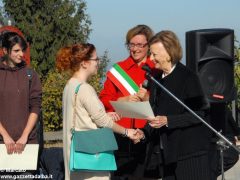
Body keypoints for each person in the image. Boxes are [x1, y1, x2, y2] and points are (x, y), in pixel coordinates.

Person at [135, 30, 211, 180]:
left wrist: (168, 121)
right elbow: (155, 116)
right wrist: (143, 133)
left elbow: (200, 114)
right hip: (166, 156)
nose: (150, 58)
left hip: (189, 155)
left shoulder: (188, 77)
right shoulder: (156, 80)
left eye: (154, 54)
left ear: (169, 54)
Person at [56, 43, 138, 180]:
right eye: (95, 59)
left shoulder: (70, 85)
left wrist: (105, 115)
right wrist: (127, 131)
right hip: (91, 154)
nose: (98, 62)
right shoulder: (85, 88)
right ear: (84, 63)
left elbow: (83, 115)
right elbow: (102, 121)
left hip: (75, 153)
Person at [99, 24, 155, 179]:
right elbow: (102, 99)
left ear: (148, 46)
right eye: (131, 44)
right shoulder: (118, 70)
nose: (135, 49)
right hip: (121, 138)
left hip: (147, 136)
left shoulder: (156, 70)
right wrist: (121, 100)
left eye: (139, 45)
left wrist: (147, 99)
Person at [0, 31, 42, 153]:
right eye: (16, 51)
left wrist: (24, 136)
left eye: (22, 50)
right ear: (5, 50)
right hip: (2, 144)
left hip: (27, 142)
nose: (21, 54)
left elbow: (35, 107)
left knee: (26, 173)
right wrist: (5, 136)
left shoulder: (30, 75)